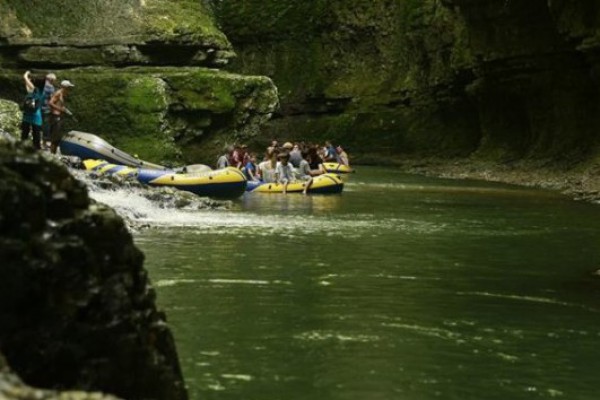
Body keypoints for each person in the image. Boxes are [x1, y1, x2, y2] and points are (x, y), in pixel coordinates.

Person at [48, 79, 75, 154]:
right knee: (55, 139)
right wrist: (61, 109)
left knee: (57, 139)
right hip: (55, 118)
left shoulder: (62, 94)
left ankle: (53, 154)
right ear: (64, 87)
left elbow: (60, 105)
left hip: (59, 118)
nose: (70, 89)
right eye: (69, 87)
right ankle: (52, 156)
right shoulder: (58, 93)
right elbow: (50, 103)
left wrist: (66, 111)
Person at [20, 71, 46, 150]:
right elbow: (27, 85)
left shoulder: (33, 90)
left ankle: (21, 149)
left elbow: (25, 77)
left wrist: (27, 74)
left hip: (27, 115)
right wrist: (29, 81)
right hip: (36, 117)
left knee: (24, 135)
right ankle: (37, 151)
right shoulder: (41, 92)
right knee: (36, 136)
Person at [42, 72, 57, 149]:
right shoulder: (51, 88)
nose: (55, 81)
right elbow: (52, 99)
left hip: (38, 108)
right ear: (51, 80)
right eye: (54, 80)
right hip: (47, 109)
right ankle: (44, 143)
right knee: (46, 126)